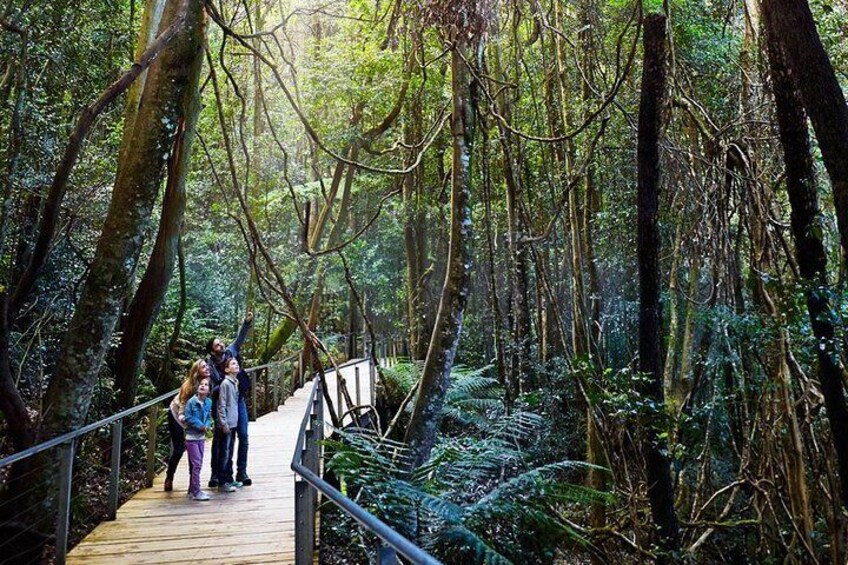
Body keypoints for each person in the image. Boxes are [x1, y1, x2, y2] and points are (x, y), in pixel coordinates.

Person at [207, 311, 253, 488]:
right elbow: (213, 387)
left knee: (243, 435)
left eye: (221, 343)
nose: (222, 345)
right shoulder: (210, 365)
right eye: (218, 345)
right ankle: (217, 474)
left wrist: (246, 322)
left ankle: (241, 471)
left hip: (238, 401)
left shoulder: (231, 353)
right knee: (221, 440)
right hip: (221, 404)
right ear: (212, 350)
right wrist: (226, 383)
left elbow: (239, 338)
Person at [164, 359, 210, 492]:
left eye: (207, 366)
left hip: (192, 418)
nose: (207, 368)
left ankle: (193, 482)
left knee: (193, 449)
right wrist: (184, 420)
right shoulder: (188, 385)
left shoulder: (206, 383)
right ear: (197, 371)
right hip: (177, 415)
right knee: (179, 449)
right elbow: (182, 406)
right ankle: (169, 476)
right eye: (203, 366)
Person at [184, 376, 213, 501]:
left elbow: (209, 417)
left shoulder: (208, 402)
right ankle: (197, 491)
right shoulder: (191, 402)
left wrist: (206, 425)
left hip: (201, 437)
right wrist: (200, 425)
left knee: (198, 463)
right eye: (201, 384)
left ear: (209, 390)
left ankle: (192, 488)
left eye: (206, 385)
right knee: (197, 464)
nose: (203, 386)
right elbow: (188, 417)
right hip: (191, 437)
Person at [215, 357, 242, 492]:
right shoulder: (225, 383)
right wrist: (224, 423)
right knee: (224, 453)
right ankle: (222, 482)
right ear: (227, 369)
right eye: (232, 364)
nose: (236, 365)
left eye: (237, 363)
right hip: (226, 425)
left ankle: (229, 479)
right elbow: (222, 405)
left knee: (229, 452)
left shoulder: (235, 382)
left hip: (233, 423)